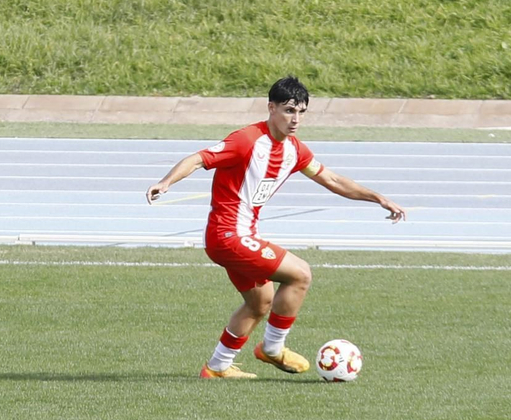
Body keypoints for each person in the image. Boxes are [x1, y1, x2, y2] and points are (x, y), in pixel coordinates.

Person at [146, 76, 407, 379]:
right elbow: (198, 159)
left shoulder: (295, 151)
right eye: (288, 110)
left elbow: (333, 180)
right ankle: (272, 348)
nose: (295, 119)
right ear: (271, 108)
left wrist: (377, 198)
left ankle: (217, 367)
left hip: (240, 237)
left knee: (260, 303)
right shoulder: (246, 141)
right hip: (228, 236)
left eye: (301, 112)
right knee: (301, 274)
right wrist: (166, 183)